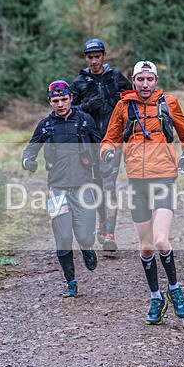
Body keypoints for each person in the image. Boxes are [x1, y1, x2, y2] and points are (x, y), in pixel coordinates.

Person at [100, 60, 184, 325]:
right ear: (133, 81)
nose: (144, 85)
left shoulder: (169, 103)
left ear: (155, 81)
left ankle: (175, 289)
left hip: (164, 178)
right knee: (145, 248)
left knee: (161, 241)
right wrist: (107, 152)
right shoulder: (123, 106)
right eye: (140, 80)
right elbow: (110, 138)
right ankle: (156, 297)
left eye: (149, 80)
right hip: (137, 184)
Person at [22, 80, 100, 298]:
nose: (60, 104)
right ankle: (71, 282)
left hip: (84, 187)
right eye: (55, 101)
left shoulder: (85, 120)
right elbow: (30, 150)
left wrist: (107, 162)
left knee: (85, 236)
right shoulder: (45, 126)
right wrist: (28, 161)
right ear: (50, 102)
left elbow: (101, 145)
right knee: (63, 237)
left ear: (71, 99)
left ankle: (86, 248)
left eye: (63, 99)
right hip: (57, 189)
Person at [70, 39, 131, 252]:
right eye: (90, 57)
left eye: (97, 56)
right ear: (85, 58)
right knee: (95, 187)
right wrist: (86, 106)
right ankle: (102, 224)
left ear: (104, 56)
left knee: (109, 184)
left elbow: (132, 104)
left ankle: (109, 234)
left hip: (113, 141)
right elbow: (68, 109)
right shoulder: (79, 83)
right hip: (88, 143)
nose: (94, 61)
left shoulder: (116, 78)